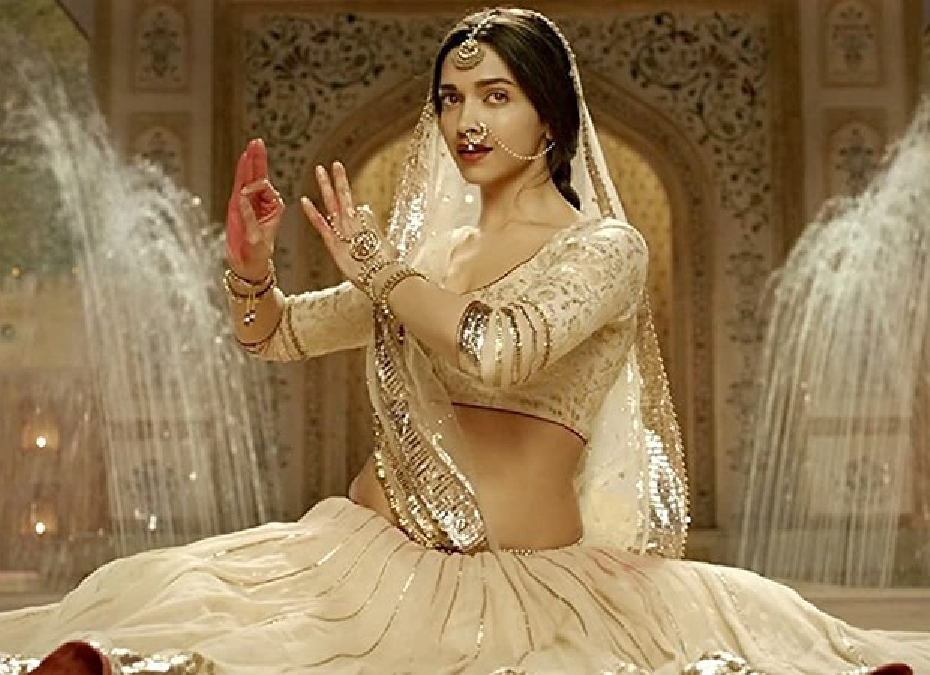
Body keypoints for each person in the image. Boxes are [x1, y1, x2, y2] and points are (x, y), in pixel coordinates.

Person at [1, 8, 927, 675]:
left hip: (536, 591)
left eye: (496, 95)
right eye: (450, 98)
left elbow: (497, 348)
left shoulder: (606, 248)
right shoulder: (429, 258)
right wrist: (251, 267)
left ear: (549, 115)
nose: (466, 120)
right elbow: (278, 335)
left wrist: (379, 270)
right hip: (358, 562)